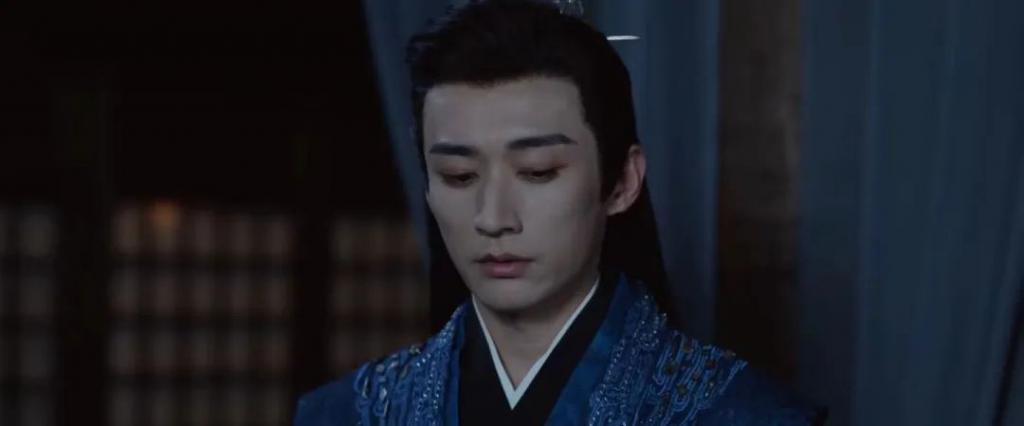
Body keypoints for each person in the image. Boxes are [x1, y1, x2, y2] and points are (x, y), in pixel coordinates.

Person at [295, 1, 825, 424]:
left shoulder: (743, 413)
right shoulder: (348, 414)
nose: (493, 217)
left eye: (538, 171)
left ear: (622, 182)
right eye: (459, 176)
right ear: (429, 188)